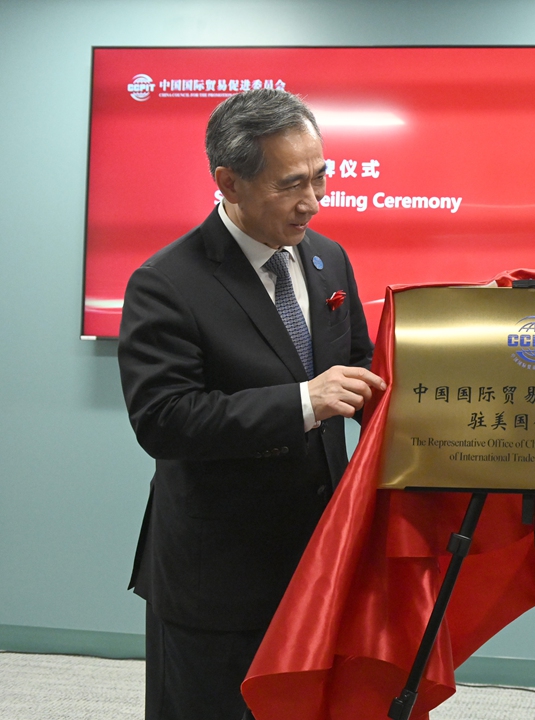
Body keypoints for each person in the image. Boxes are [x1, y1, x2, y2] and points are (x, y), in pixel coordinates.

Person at [118, 88, 386, 720]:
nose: (312, 202)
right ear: (229, 182)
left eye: (321, 178)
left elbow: (359, 368)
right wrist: (302, 401)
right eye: (291, 184)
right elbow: (165, 420)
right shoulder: (166, 283)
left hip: (318, 561)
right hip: (218, 575)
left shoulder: (327, 258)